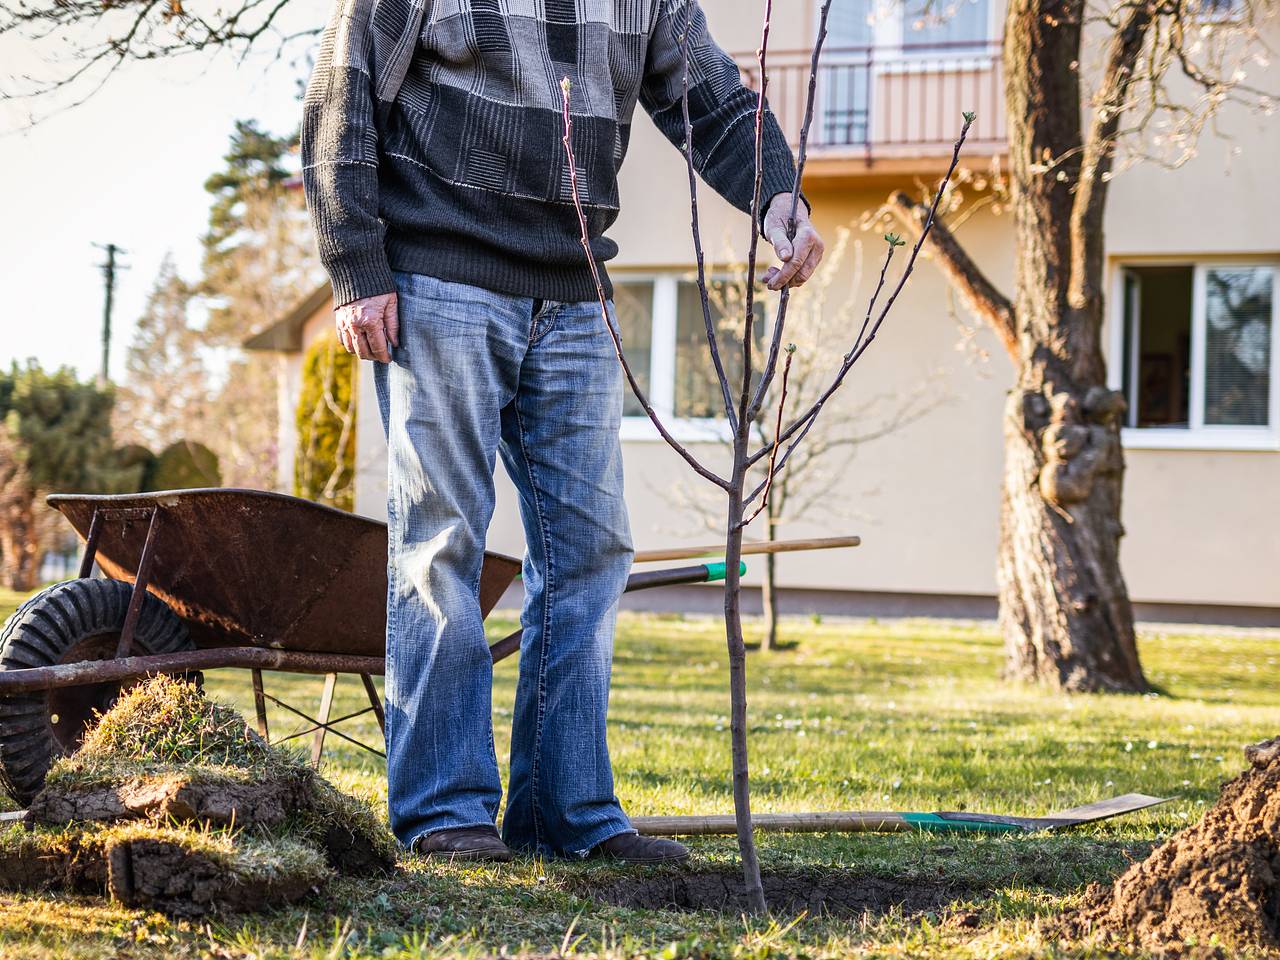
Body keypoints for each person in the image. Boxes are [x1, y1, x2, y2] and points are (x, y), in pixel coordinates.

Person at [301, 0, 824, 864]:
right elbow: (341, 98)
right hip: (439, 279)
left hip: (576, 292)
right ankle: (444, 811)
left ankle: (562, 812)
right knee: (442, 544)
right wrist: (356, 265)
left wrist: (777, 192)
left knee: (589, 550)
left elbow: (715, 99)